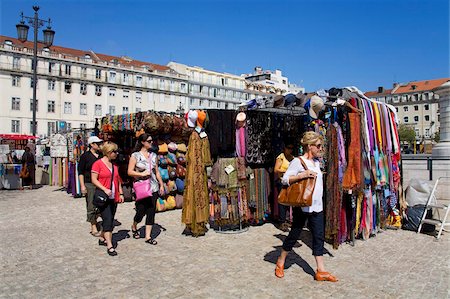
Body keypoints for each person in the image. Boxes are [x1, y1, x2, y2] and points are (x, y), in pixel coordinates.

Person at [274, 131, 338, 282]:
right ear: (309, 146)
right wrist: (302, 175)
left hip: (317, 206)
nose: (320, 148)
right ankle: (281, 261)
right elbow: (285, 180)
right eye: (318, 145)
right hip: (302, 206)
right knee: (294, 235)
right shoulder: (298, 161)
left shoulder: (317, 162)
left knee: (318, 236)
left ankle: (321, 270)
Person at [127, 133, 164, 245]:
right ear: (143, 142)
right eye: (149, 141)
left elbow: (156, 172)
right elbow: (129, 171)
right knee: (140, 211)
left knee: (151, 211)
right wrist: (142, 174)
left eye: (151, 140)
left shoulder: (153, 155)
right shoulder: (135, 156)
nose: (151, 142)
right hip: (141, 187)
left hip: (153, 187)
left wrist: (161, 185)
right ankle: (134, 225)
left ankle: (148, 236)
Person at [91, 141, 124, 256]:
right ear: (108, 152)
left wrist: (120, 193)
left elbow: (117, 180)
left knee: (109, 218)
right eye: (114, 151)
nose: (116, 154)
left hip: (113, 197)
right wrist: (104, 189)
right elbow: (94, 179)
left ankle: (102, 236)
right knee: (108, 219)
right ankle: (110, 245)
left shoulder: (114, 166)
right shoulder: (98, 164)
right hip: (104, 197)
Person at [78, 136, 103, 237]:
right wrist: (82, 186)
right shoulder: (85, 156)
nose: (99, 145)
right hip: (89, 183)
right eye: (97, 143)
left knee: (101, 204)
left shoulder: (101, 155)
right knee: (91, 205)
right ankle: (93, 225)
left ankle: (96, 220)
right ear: (92, 144)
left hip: (100, 183)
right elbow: (80, 172)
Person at [274, 141, 294, 232]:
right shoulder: (281, 157)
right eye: (288, 148)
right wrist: (286, 171)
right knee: (282, 201)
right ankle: (282, 221)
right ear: (285, 148)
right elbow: (276, 169)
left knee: (289, 201)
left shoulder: (292, 158)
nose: (290, 150)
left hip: (289, 182)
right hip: (282, 181)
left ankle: (288, 219)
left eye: (291, 148)